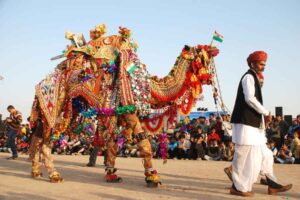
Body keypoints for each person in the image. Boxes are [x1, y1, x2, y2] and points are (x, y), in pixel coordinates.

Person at [228, 51, 292, 196]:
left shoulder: (254, 78)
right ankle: (237, 187)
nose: (264, 66)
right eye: (261, 64)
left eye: (265, 64)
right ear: (252, 63)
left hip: (254, 126)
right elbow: (250, 99)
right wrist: (265, 112)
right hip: (244, 124)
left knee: (266, 155)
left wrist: (264, 118)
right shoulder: (248, 77)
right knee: (243, 156)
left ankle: (272, 184)